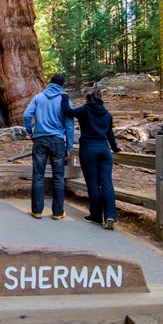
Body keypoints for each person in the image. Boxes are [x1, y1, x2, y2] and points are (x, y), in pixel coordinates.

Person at [61, 89, 121, 230]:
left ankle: (95, 215)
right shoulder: (107, 115)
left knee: (93, 183)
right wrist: (116, 148)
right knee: (107, 183)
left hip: (88, 150)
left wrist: (64, 97)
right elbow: (110, 134)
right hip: (105, 151)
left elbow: (67, 111)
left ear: (88, 99)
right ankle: (110, 216)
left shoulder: (84, 110)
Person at [23, 74, 75, 220]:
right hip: (58, 140)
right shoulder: (65, 100)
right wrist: (69, 146)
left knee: (38, 175)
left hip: (39, 139)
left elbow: (27, 115)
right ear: (62, 85)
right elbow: (69, 125)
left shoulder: (38, 98)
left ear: (50, 83)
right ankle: (58, 212)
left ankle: (37, 210)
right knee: (58, 177)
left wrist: (30, 131)